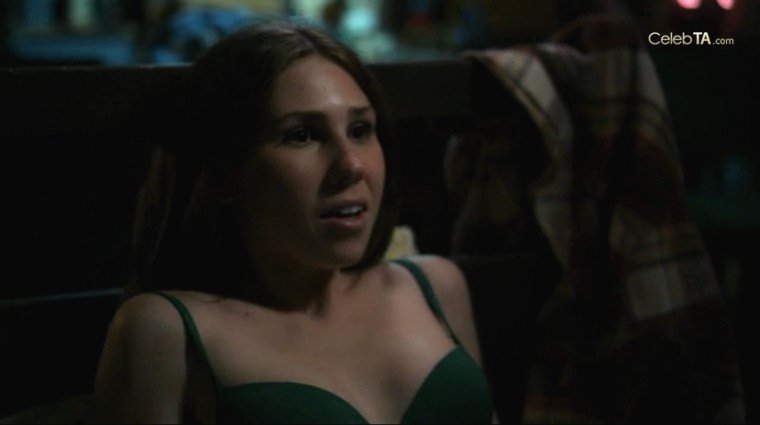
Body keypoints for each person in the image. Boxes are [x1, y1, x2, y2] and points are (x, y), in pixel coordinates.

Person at [90, 22, 494, 424]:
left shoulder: (436, 287)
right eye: (302, 135)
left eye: (359, 130)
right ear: (227, 171)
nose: (351, 165)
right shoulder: (161, 330)